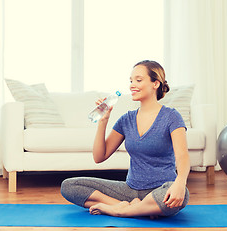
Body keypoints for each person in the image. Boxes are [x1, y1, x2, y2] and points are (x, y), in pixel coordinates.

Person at [61, 60, 190, 218]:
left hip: (161, 189)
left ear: (155, 83)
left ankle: (117, 210)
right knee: (70, 186)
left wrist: (180, 183)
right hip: (130, 191)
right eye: (131, 81)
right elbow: (99, 157)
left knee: (180, 195)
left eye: (138, 80)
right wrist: (103, 121)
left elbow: (182, 155)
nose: (132, 85)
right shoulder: (126, 119)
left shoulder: (171, 116)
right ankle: (135, 208)